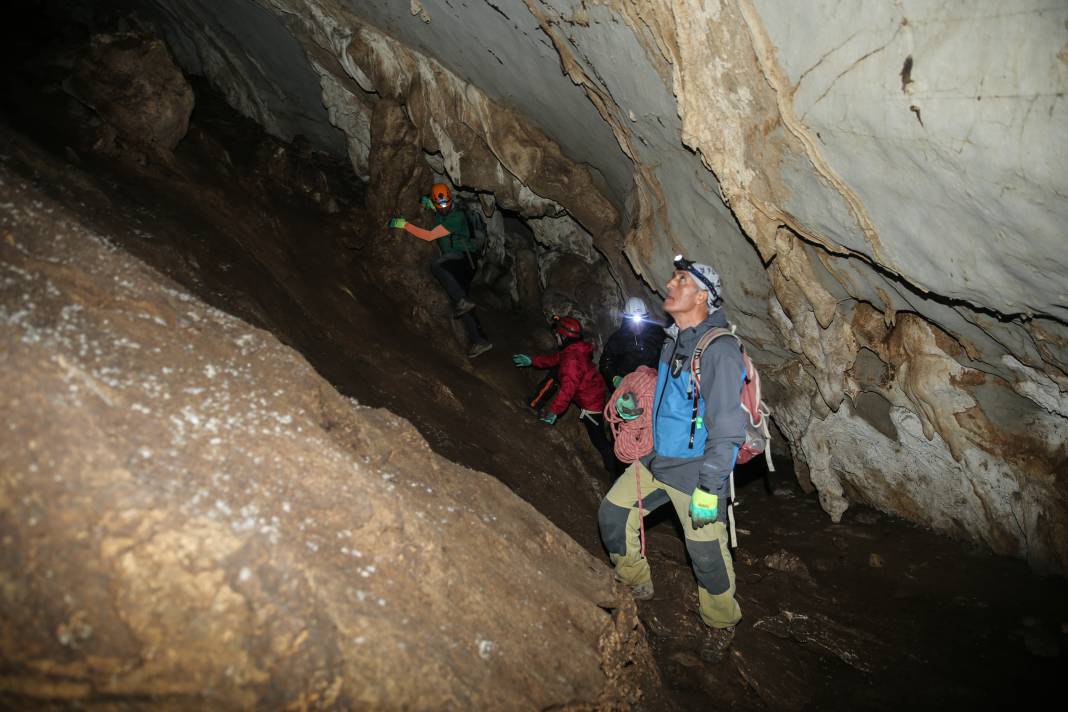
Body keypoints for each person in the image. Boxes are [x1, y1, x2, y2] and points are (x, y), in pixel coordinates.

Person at [597, 255, 747, 663]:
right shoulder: (670, 341)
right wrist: (635, 411)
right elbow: (668, 401)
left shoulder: (720, 350)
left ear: (702, 295)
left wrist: (709, 487)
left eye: (680, 279)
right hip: (656, 459)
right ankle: (637, 583)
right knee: (612, 513)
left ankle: (721, 622)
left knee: (706, 554)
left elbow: (729, 427)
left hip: (697, 472)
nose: (669, 282)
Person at [389, 183, 492, 358]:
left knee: (437, 265)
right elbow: (436, 214)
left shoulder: (457, 216)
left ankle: (462, 301)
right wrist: (429, 205)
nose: (443, 208)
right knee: (461, 300)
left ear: (451, 201)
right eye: (440, 205)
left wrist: (404, 225)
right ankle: (480, 340)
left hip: (463, 258)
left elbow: (429, 235)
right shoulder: (440, 213)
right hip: (458, 263)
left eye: (446, 205)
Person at [512, 316, 616, 473]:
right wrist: (532, 360)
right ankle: (535, 403)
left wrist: (554, 411)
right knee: (555, 372)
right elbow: (554, 359)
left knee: (599, 440)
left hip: (591, 402)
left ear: (564, 336)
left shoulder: (571, 361)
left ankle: (616, 470)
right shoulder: (573, 349)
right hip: (591, 388)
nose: (555, 337)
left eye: (557, 334)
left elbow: (568, 390)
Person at [599, 296, 665, 388]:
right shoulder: (618, 339)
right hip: (627, 385)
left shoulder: (657, 334)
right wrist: (615, 379)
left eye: (642, 320)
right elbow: (606, 362)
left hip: (652, 383)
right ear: (626, 320)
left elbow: (668, 358)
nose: (637, 325)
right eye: (632, 321)